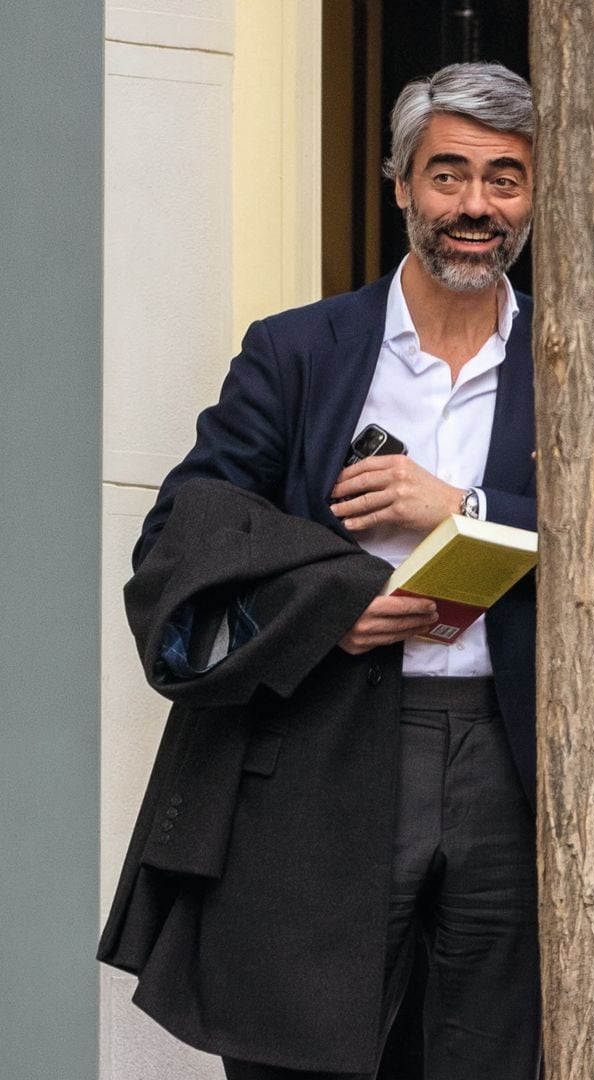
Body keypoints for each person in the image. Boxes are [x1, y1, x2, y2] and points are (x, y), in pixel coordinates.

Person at [98, 62, 541, 1080]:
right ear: (399, 184)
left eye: (505, 179)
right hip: (324, 749)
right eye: (449, 175)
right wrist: (336, 605)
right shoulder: (300, 352)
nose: (475, 206)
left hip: (514, 765)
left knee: (495, 1055)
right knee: (302, 1056)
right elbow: (184, 537)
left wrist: (462, 509)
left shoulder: (576, 362)